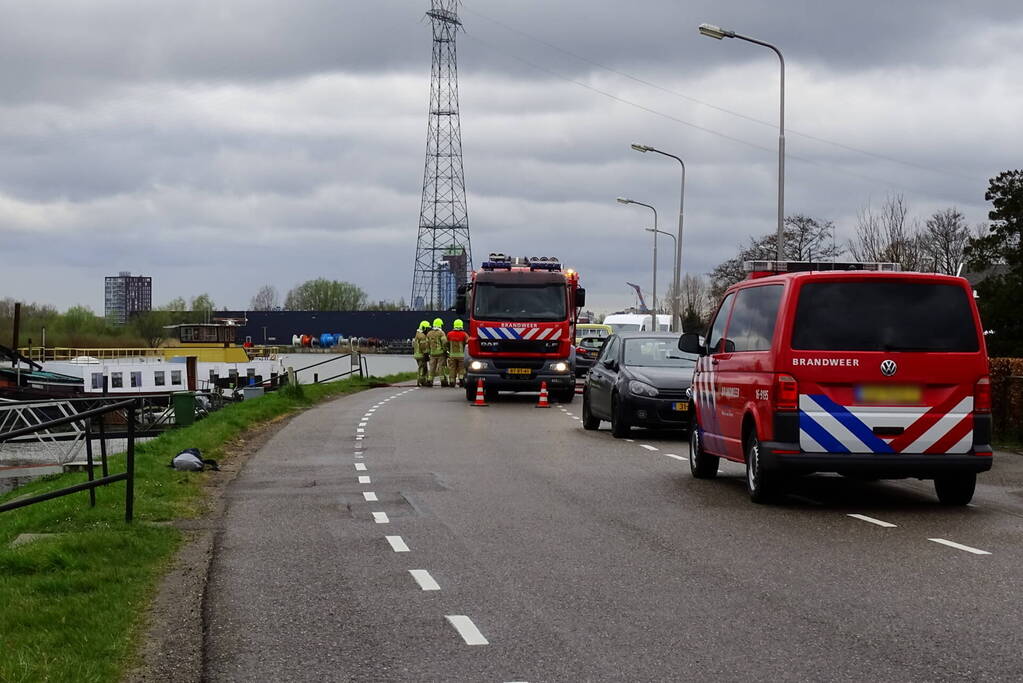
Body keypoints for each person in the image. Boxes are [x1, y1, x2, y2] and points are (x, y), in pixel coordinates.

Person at [427, 318, 449, 387]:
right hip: (440, 353)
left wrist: (429, 352)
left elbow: (427, 344)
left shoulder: (429, 333)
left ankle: (430, 380)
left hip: (432, 354)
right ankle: (443, 381)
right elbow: (444, 342)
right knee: (441, 367)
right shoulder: (441, 333)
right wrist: (445, 350)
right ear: (440, 325)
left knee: (432, 368)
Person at [447, 319, 468, 387]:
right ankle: (461, 379)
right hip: (461, 355)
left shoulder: (449, 334)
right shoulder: (464, 334)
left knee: (452, 368)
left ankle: (452, 381)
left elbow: (447, 343)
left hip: (452, 355)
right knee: (461, 368)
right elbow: (468, 342)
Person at [413, 320, 431, 387]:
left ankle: (422, 381)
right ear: (424, 328)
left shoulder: (417, 334)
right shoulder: (422, 336)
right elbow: (423, 347)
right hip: (421, 355)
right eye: (427, 328)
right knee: (422, 369)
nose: (428, 330)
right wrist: (426, 355)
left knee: (423, 368)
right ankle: (421, 381)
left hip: (417, 354)